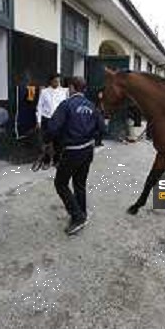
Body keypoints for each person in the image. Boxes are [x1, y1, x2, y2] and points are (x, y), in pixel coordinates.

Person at [46, 76, 105, 236]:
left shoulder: (66, 105)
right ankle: (82, 212)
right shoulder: (92, 106)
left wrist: (50, 143)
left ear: (72, 88)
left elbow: (52, 128)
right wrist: (90, 136)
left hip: (72, 151)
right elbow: (103, 129)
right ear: (83, 89)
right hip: (88, 150)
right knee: (79, 183)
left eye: (68, 87)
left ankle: (78, 217)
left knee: (60, 184)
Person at [36, 73, 68, 168]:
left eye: (58, 81)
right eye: (55, 81)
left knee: (59, 142)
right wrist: (38, 121)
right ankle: (46, 162)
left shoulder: (63, 91)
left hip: (59, 120)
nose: (57, 82)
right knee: (46, 142)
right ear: (51, 81)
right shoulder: (44, 92)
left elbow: (66, 106)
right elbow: (39, 106)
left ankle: (56, 161)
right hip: (47, 119)